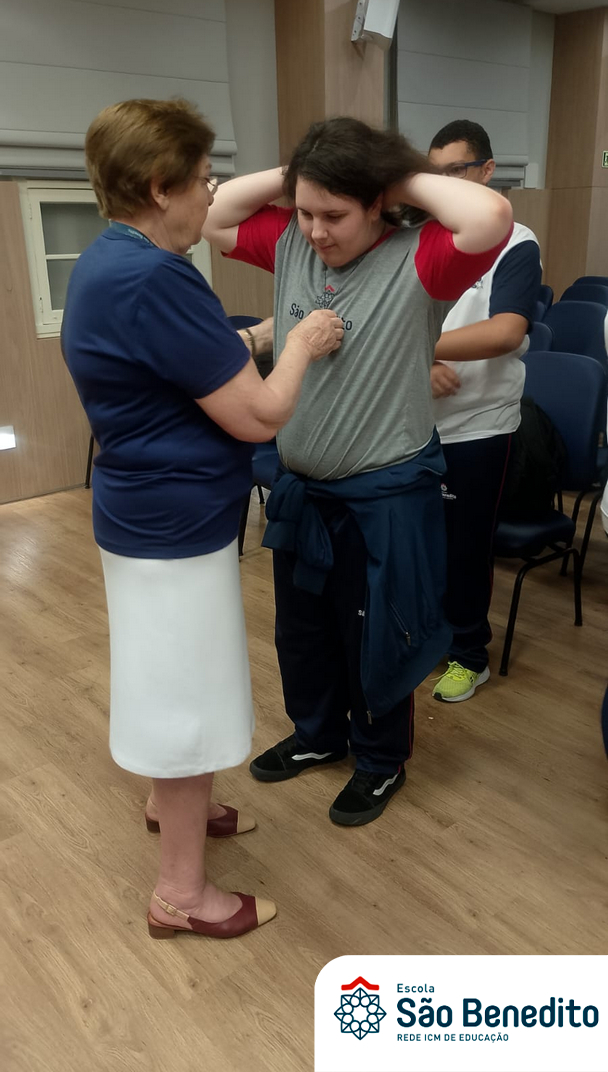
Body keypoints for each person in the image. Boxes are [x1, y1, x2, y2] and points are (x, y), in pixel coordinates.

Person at [61, 98, 343, 938]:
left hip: (147, 515)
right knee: (185, 699)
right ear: (160, 188)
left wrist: (254, 338)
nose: (212, 192)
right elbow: (259, 416)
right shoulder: (155, 277)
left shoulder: (112, 257)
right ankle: (180, 896)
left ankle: (168, 806)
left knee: (165, 675)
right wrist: (301, 343)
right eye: (203, 179)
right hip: (173, 529)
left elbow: (177, 365)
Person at [203, 116, 513, 826]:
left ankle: (379, 760)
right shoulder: (292, 243)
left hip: (385, 494)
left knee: (378, 636)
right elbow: (216, 216)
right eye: (305, 211)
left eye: (334, 215)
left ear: (377, 202)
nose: (316, 231)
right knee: (303, 631)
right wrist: (303, 175)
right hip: (304, 489)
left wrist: (388, 174)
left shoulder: (421, 257)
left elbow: (491, 214)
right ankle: (318, 735)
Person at [427, 120, 541, 703]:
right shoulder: (427, 237)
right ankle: (430, 640)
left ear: (487, 170)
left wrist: (418, 349)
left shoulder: (514, 242)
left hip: (479, 425)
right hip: (416, 423)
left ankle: (469, 655)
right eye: (435, 174)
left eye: (456, 170)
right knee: (422, 545)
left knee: (465, 549)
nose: (444, 183)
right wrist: (418, 359)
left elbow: (505, 332)